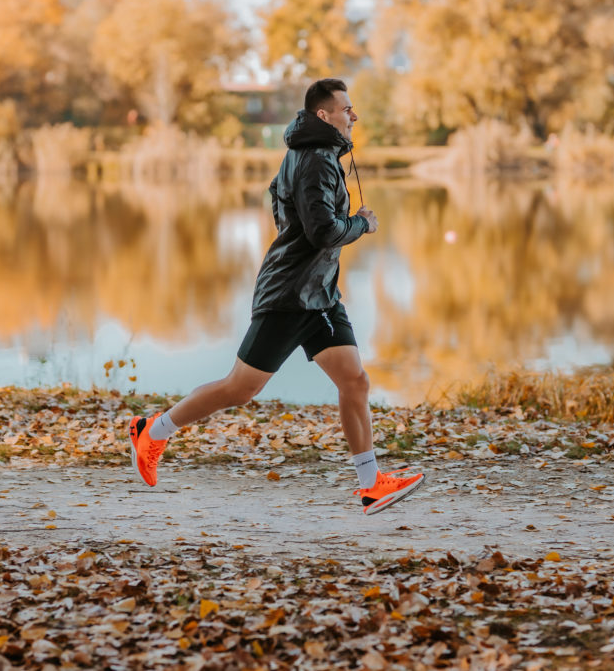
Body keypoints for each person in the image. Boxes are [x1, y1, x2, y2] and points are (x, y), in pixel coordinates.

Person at [128, 78, 424, 515]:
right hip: (289, 296)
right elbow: (323, 230)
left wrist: (297, 235)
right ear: (324, 115)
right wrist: (362, 224)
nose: (353, 115)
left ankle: (371, 484)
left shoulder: (308, 155)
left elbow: (278, 199)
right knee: (239, 388)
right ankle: (153, 431)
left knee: (354, 380)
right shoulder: (316, 161)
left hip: (318, 294)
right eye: (346, 108)